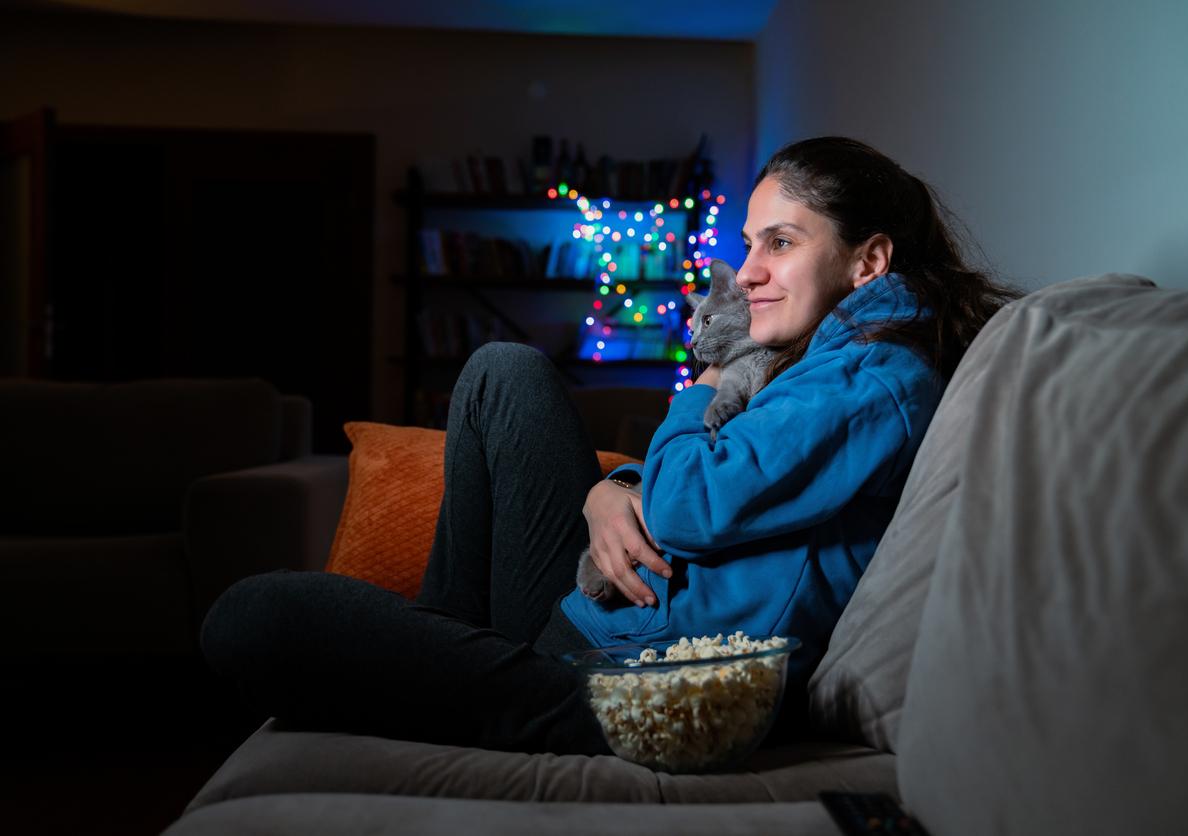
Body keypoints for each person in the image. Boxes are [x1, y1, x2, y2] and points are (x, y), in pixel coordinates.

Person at [201, 136, 1019, 757]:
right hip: (615, 614)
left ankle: (446, 661)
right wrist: (610, 488)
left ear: (867, 259)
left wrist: (701, 381)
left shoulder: (871, 379)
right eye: (747, 243)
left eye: (780, 242)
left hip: (637, 677)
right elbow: (714, 484)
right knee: (501, 371)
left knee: (253, 616)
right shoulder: (824, 357)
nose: (748, 273)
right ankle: (448, 646)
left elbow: (692, 504)